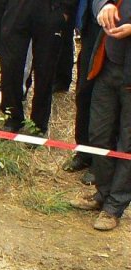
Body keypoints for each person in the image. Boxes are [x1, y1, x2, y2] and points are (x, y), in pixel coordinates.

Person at [71, 0, 131, 230]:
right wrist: (104, 5)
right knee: (98, 134)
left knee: (127, 144)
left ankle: (114, 206)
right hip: (107, 64)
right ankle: (103, 193)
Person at [0, 0, 79, 134]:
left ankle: (39, 124)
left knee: (45, 68)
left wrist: (65, 9)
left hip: (52, 9)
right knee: (10, 63)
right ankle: (12, 117)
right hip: (17, 7)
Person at [63, 0, 103, 185]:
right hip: (92, 26)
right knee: (84, 92)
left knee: (105, 99)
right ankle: (84, 152)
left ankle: (100, 162)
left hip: (118, 32)